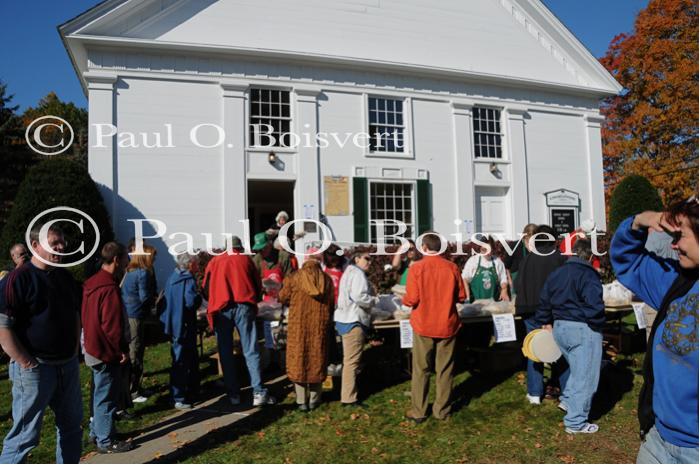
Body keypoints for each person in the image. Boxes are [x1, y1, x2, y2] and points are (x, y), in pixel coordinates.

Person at [611, 199, 699, 463]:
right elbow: (628, 263)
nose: (673, 245)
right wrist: (639, 220)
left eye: (679, 236)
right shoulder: (677, 283)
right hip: (659, 440)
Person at [0, 225, 83, 463]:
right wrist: (26, 363)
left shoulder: (64, 276)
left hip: (66, 366)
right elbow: (2, 327)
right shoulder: (18, 278)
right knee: (24, 437)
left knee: (71, 428)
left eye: (62, 242)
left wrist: (74, 351)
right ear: (35, 246)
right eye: (54, 242)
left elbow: (75, 314)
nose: (61, 246)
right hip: (36, 369)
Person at [535, 239, 605, 434]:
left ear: (573, 253)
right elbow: (595, 306)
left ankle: (568, 401)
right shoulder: (588, 275)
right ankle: (575, 422)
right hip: (582, 328)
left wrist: (545, 320)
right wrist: (598, 323)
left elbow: (544, 300)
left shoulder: (557, 273)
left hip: (560, 327)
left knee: (578, 370)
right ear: (590, 256)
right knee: (586, 376)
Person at [203, 236, 275, 406]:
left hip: (222, 308)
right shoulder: (246, 260)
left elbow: (205, 288)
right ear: (239, 247)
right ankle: (258, 392)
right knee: (250, 349)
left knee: (226, 352)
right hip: (244, 306)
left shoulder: (215, 262)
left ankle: (233, 394)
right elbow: (257, 286)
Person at [403, 232, 467, 423]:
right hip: (447, 324)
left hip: (423, 324)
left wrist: (404, 299)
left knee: (421, 368)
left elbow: (412, 299)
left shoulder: (417, 268)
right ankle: (442, 410)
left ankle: (419, 410)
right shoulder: (452, 267)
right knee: (445, 369)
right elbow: (461, 296)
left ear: (424, 247)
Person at [82, 242, 134, 454]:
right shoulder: (109, 288)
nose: (127, 262)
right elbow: (112, 326)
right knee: (106, 396)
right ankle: (105, 440)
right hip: (105, 350)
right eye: (125, 258)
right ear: (116, 260)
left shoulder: (92, 282)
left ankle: (98, 432)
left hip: (92, 346)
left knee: (99, 394)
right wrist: (120, 350)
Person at [515, 225, 568, 405]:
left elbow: (517, 285)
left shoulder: (527, 260)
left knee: (533, 350)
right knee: (559, 350)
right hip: (553, 311)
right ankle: (566, 392)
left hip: (529, 310)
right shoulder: (559, 260)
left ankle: (534, 393)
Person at [278, 249, 335, 411]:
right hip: (319, 325)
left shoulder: (294, 278)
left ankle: (302, 400)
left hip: (299, 326)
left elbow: (282, 297)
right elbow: (331, 304)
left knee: (299, 359)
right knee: (317, 358)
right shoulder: (327, 280)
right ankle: (315, 399)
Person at [335, 250, 378, 407]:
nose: (369, 262)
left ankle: (348, 395)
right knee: (352, 361)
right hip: (353, 320)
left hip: (346, 318)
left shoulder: (349, 271)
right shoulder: (358, 274)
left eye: (371, 259)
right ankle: (349, 398)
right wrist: (373, 300)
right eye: (366, 258)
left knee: (349, 361)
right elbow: (359, 296)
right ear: (357, 259)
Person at [161, 253, 202, 410]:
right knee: (182, 360)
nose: (197, 267)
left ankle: (190, 389)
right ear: (190, 265)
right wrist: (198, 297)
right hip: (184, 325)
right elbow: (190, 302)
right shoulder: (188, 280)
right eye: (196, 264)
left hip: (173, 323)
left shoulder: (173, 276)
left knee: (184, 358)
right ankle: (178, 396)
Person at [121, 244, 157, 403]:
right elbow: (144, 297)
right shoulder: (142, 274)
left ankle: (135, 388)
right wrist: (155, 301)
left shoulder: (130, 271)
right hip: (136, 315)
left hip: (129, 314)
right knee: (136, 352)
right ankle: (133, 391)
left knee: (135, 350)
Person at [641, 230, 679, 340]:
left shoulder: (652, 240)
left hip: (655, 290)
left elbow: (646, 264)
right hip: (674, 288)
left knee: (652, 329)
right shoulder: (674, 238)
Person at [461, 235, 509, 302]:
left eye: (490, 250)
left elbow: (503, 279)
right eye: (484, 250)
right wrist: (468, 297)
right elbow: (464, 279)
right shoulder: (473, 261)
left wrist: (504, 290)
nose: (487, 253)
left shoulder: (497, 262)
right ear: (480, 248)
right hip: (476, 305)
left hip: (494, 305)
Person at [503, 224, 537, 296]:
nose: (532, 245)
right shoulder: (514, 246)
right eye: (528, 241)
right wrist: (510, 282)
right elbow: (506, 266)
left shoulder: (539, 249)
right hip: (516, 285)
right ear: (524, 238)